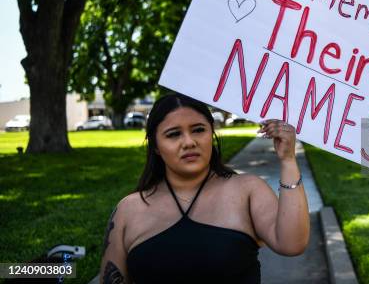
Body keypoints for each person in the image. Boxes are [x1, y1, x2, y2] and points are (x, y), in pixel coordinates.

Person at [98, 93, 309, 283]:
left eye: (198, 130)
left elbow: (292, 243)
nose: (189, 142)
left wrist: (288, 160)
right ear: (156, 147)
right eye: (173, 134)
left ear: (211, 134)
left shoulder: (248, 190)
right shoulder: (128, 210)